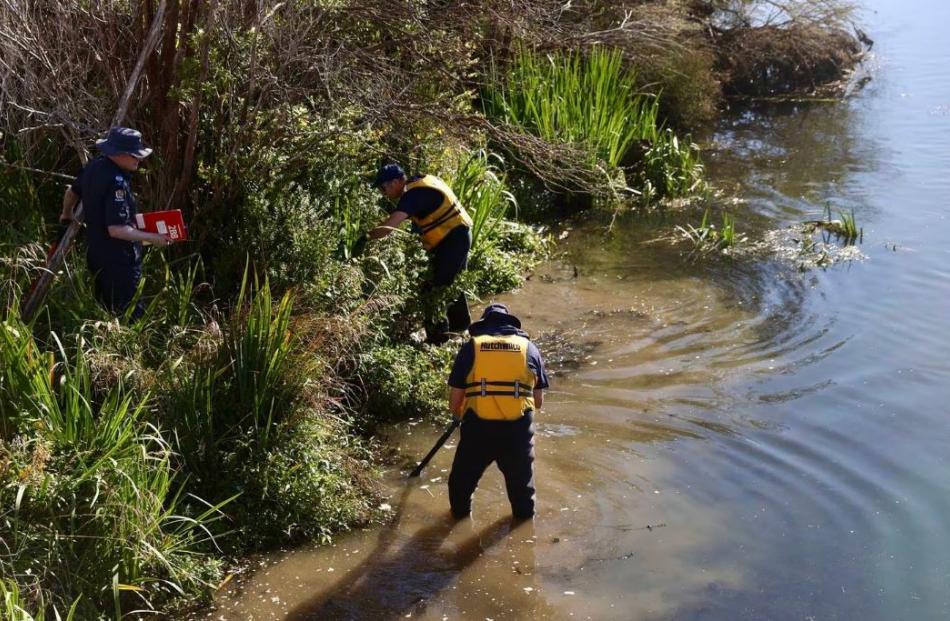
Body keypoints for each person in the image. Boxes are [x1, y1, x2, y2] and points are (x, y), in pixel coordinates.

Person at [446, 303, 549, 520]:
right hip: (518, 433)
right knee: (523, 492)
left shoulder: (471, 348)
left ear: (483, 325)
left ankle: (459, 523)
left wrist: (466, 408)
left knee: (460, 486)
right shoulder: (529, 349)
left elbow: (454, 403)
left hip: (478, 431)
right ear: (511, 326)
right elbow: (538, 402)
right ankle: (524, 536)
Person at [60, 127, 172, 318]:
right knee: (129, 314)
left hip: (96, 255)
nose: (139, 159)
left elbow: (71, 192)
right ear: (119, 153)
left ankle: (106, 343)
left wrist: (67, 214)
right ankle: (129, 347)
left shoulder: (94, 166)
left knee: (105, 309)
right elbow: (117, 229)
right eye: (134, 155)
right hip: (119, 261)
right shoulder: (116, 182)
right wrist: (154, 238)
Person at [369, 163, 472, 342]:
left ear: (394, 182)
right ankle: (461, 328)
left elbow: (387, 228)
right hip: (458, 234)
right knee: (450, 282)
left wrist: (366, 237)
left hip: (453, 239)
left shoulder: (412, 195)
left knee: (433, 289)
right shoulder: (420, 182)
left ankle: (438, 339)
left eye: (383, 188)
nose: (382, 193)